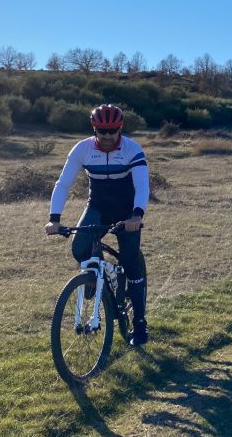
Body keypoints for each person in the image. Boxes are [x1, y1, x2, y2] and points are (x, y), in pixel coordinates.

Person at [44, 104, 151, 346]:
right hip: (98, 207)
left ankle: (139, 322)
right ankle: (95, 277)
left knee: (131, 263)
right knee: (79, 247)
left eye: (112, 131)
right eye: (102, 131)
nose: (107, 136)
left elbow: (142, 185)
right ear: (94, 129)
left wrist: (136, 216)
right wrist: (54, 218)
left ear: (120, 128)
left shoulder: (132, 149)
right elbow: (63, 184)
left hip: (127, 211)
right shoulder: (82, 149)